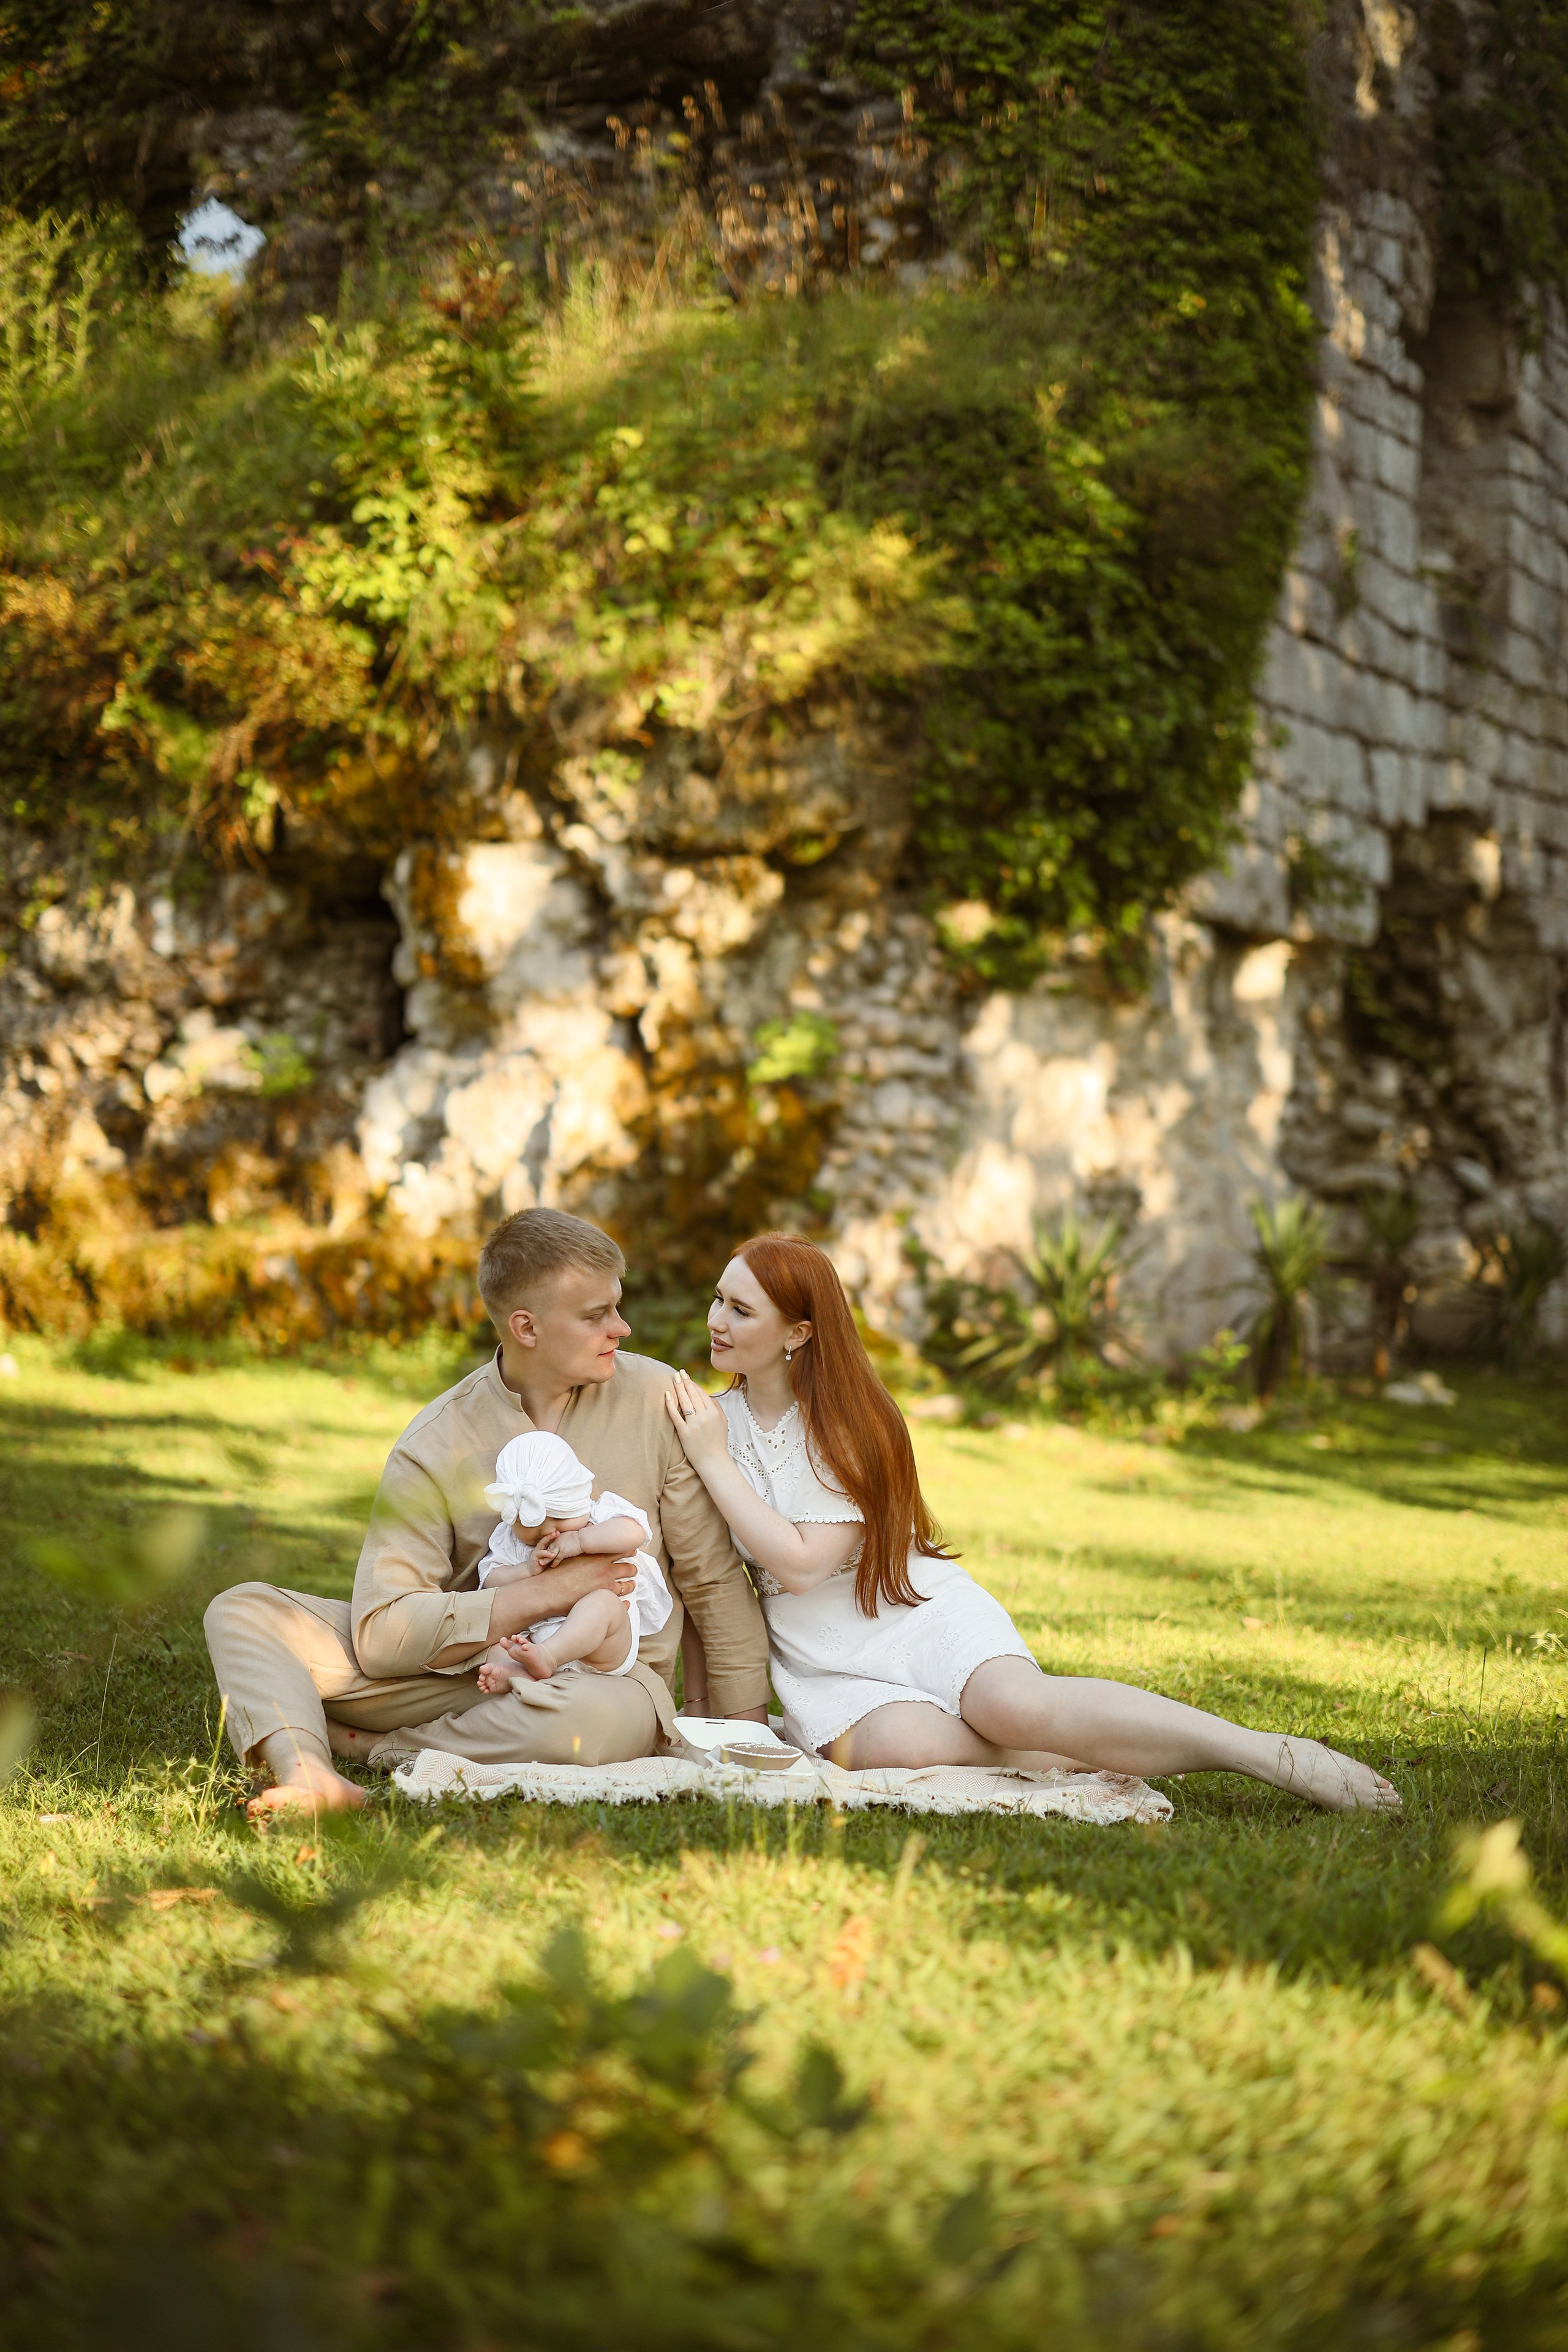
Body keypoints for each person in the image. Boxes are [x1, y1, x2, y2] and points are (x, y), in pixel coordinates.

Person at [665, 1232, 1401, 1814]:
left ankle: (1261, 1752)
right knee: (885, 1749)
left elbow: (798, 1564)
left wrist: (713, 1461)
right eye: (718, 1300)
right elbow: (701, 1574)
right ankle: (1071, 1748)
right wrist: (712, 1714)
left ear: (797, 1333)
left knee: (1011, 1705)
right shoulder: (710, 1421)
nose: (714, 1321)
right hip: (822, 1661)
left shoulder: (850, 1424)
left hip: (907, 1611)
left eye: (739, 1309)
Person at [204, 1207, 768, 1813]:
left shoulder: (658, 1401)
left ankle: (371, 1749)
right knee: (245, 1612)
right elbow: (381, 1635)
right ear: (526, 1328)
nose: (621, 1329)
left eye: (617, 1306)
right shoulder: (437, 1440)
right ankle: (308, 1770)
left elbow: (711, 1581)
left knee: (581, 1726)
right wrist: (546, 1593)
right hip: (461, 1674)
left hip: (597, 1687)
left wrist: (751, 1733)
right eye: (596, 1315)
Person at [472, 1430, 671, 1688]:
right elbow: (490, 1582)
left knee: (603, 1604)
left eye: (559, 1517)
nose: (548, 1531)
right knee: (496, 1645)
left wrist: (582, 1541)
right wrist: (525, 1570)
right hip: (532, 1640)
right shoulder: (508, 1540)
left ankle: (550, 1656)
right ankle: (519, 1672)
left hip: (601, 1648)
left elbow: (636, 1532)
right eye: (533, 1523)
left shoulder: (600, 1515)